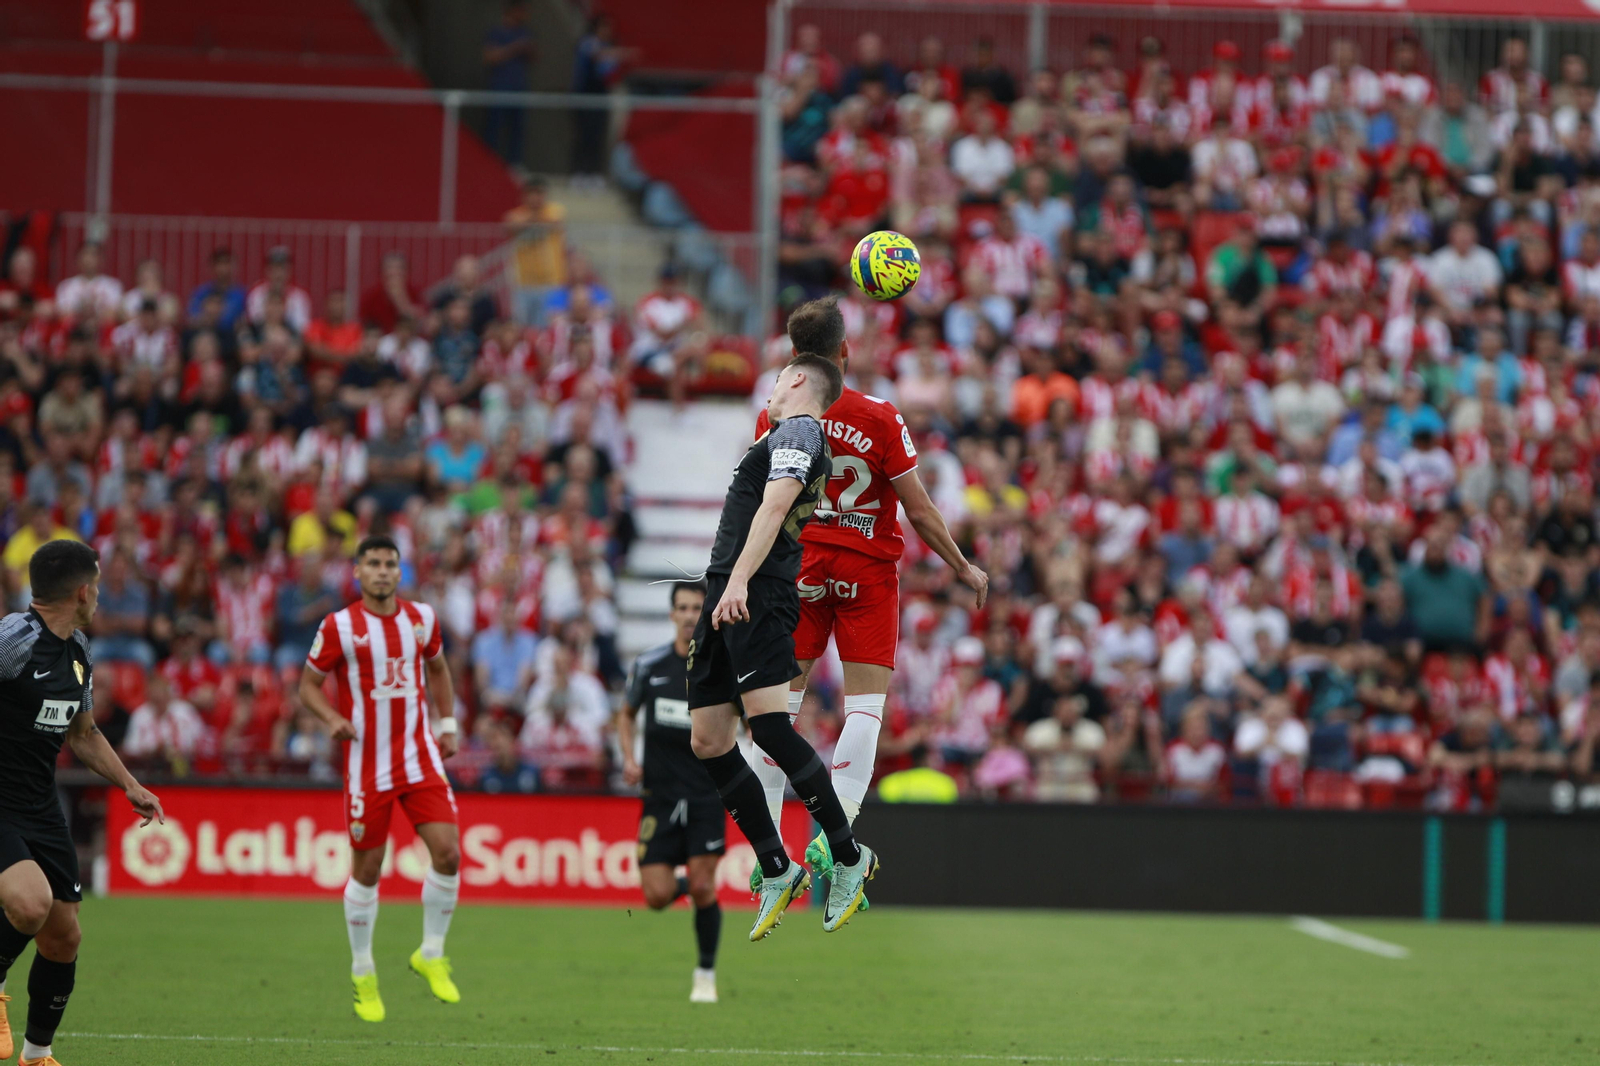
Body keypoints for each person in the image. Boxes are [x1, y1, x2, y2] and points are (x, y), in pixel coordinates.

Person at [748, 297, 988, 893]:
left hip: (798, 570)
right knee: (865, 709)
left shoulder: (774, 418)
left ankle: (770, 855)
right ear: (844, 352)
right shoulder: (880, 416)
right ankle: (837, 836)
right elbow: (920, 510)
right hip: (866, 575)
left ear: (794, 357)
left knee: (778, 715)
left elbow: (760, 504)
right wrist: (961, 565)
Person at [687, 352, 875, 939]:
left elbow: (774, 503)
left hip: (758, 593)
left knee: (768, 727)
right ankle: (776, 865)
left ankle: (848, 857)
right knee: (710, 739)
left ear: (796, 380)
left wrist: (740, 580)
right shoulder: (784, 432)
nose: (769, 391)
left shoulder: (797, 428)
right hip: (727, 588)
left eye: (775, 379)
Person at [0, 539, 165, 1066]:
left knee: (63, 935)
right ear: (82, 590)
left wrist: (130, 784)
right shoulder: (12, 639)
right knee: (30, 904)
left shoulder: (78, 651)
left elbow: (85, 733)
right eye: (95, 584)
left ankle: (36, 1055)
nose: (98, 596)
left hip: (40, 805)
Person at [298, 535, 463, 1022]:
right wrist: (331, 720)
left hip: (420, 758)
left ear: (400, 571)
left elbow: (438, 669)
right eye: (373, 563)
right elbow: (307, 687)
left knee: (449, 853)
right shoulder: (339, 627)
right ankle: (363, 970)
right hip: (367, 764)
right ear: (357, 572)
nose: (384, 571)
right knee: (367, 871)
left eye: (391, 563)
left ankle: (431, 953)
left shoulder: (422, 619)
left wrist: (447, 725)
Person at [615, 580, 724, 1004]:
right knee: (657, 896)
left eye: (697, 607)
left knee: (703, 886)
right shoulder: (649, 665)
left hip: (705, 796)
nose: (688, 615)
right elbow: (625, 715)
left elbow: (746, 722)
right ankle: (696, 888)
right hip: (659, 795)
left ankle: (706, 973)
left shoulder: (717, 670)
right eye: (682, 607)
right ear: (671, 614)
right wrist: (628, 757)